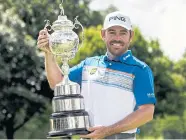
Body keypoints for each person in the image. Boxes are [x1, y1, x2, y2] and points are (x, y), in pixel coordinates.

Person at [37, 11, 156, 139]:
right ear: (103, 34)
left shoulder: (140, 69)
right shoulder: (89, 64)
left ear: (130, 36)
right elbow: (58, 83)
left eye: (123, 33)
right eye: (112, 32)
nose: (117, 38)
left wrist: (108, 131)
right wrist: (49, 54)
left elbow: (147, 112)